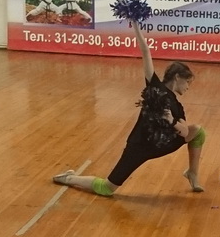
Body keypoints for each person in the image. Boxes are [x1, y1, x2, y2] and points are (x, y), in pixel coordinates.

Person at [53, 21, 206, 195]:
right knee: (107, 188)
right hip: (139, 146)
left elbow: (185, 132)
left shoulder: (177, 105)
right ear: (177, 77)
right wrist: (135, 24)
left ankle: (192, 173)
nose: (188, 87)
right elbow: (145, 51)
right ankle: (70, 178)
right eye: (188, 82)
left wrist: (171, 121)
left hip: (162, 145)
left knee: (198, 131)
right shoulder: (154, 87)